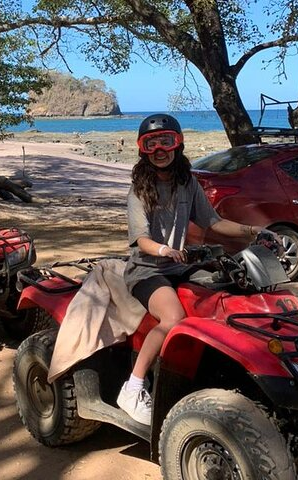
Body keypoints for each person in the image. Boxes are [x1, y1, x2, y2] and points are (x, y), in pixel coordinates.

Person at [118, 113, 277, 425]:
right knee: (172, 317)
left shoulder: (187, 183)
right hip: (147, 270)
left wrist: (253, 231)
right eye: (152, 143)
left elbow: (214, 222)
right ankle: (133, 387)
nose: (160, 149)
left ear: (178, 145)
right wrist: (165, 249)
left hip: (180, 266)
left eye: (166, 141)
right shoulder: (139, 190)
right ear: (143, 150)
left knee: (228, 292)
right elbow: (141, 240)